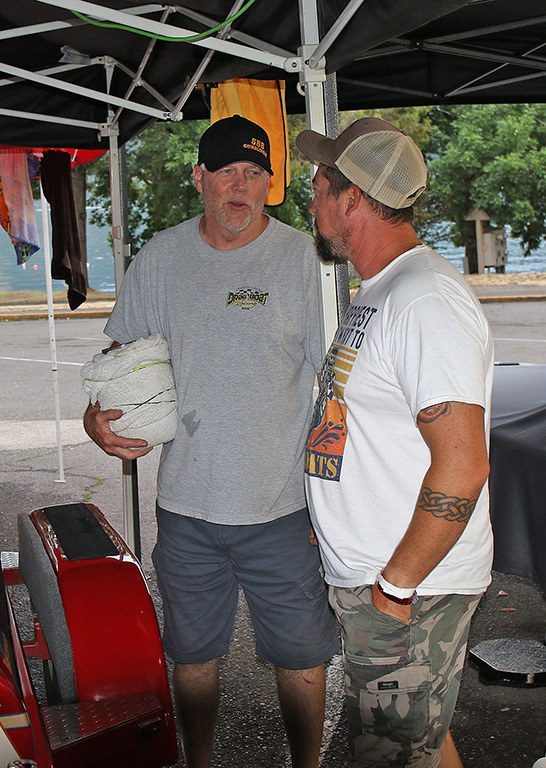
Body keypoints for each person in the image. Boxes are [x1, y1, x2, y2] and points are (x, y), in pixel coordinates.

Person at [84, 115, 339, 768]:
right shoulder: (160, 259)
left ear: (269, 186)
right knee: (193, 656)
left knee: (304, 659)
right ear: (199, 177)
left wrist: (336, 500)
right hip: (187, 506)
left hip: (282, 509)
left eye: (254, 173)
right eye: (226, 169)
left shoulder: (303, 260)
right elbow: (118, 362)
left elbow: (335, 386)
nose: (239, 184)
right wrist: (96, 417)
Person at [296, 117, 494, 768]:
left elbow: (462, 466)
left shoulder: (422, 300)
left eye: (319, 181)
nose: (312, 195)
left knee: (393, 751)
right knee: (418, 739)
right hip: (380, 575)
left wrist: (395, 590)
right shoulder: (384, 290)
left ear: (350, 197)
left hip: (411, 587)